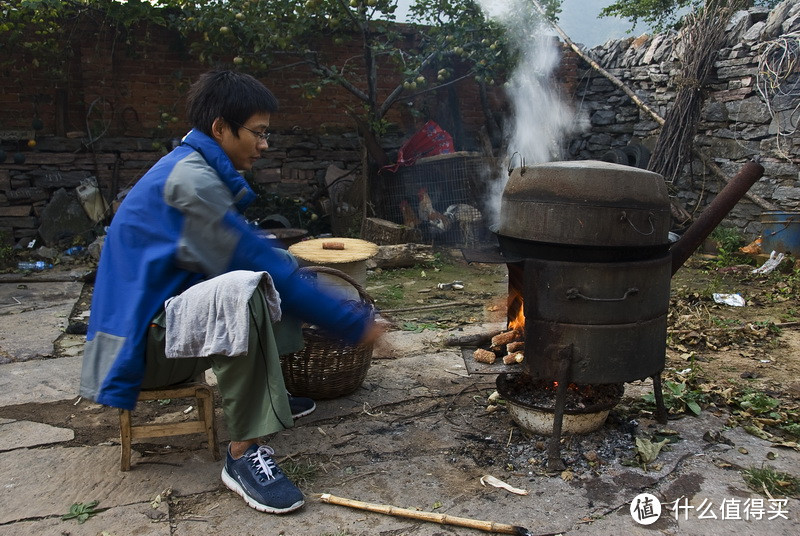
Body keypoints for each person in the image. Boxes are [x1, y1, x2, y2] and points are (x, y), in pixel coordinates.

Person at [80, 70, 382, 514]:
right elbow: (249, 259)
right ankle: (243, 456)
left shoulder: (192, 168)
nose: (264, 145)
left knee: (282, 267)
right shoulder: (191, 182)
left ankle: (269, 394)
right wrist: (352, 323)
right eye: (258, 133)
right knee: (250, 286)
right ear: (221, 127)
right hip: (139, 354)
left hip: (157, 331)